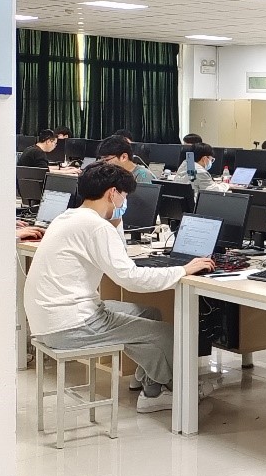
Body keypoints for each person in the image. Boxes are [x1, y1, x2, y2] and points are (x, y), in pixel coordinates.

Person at [22, 163, 214, 413]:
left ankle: (150, 383)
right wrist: (182, 270)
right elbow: (130, 278)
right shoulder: (96, 227)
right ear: (112, 193)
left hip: (51, 318)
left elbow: (118, 255)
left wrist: (114, 221)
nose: (125, 202)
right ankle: (164, 394)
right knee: (167, 335)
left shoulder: (68, 217)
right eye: (124, 195)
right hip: (71, 325)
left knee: (150, 314)